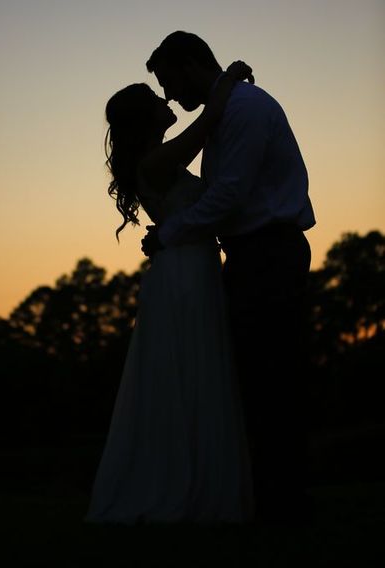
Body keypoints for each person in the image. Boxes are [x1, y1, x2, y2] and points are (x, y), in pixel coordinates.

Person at [141, 31, 316, 524]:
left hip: (269, 253)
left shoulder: (243, 110)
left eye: (170, 82)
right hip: (249, 255)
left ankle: (286, 502)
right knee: (257, 380)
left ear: (190, 65)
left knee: (274, 378)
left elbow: (229, 196)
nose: (171, 96)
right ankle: (272, 497)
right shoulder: (222, 113)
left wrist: (169, 233)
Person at [85, 62, 255, 525]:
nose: (166, 102)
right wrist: (227, 79)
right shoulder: (157, 162)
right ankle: (187, 487)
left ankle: (193, 479)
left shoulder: (155, 161)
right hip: (183, 274)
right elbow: (207, 123)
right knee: (193, 366)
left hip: (187, 266)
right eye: (155, 100)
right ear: (146, 118)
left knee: (194, 368)